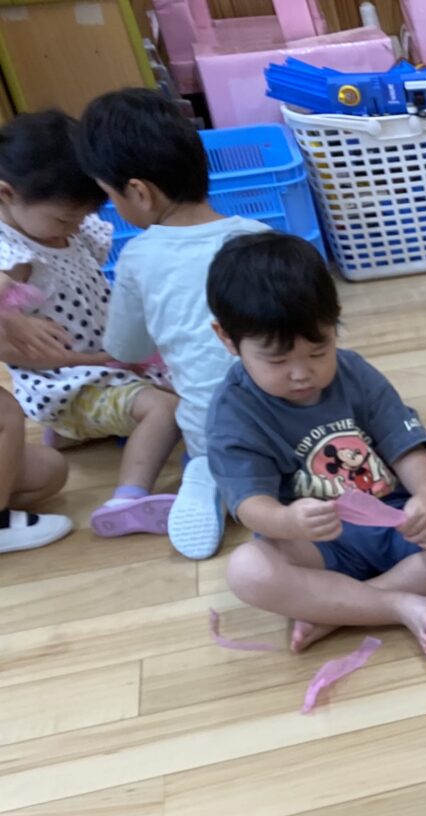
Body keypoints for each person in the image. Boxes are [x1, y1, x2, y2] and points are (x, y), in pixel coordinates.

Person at [204, 232, 426, 658]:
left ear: (335, 323)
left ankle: (344, 607)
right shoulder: (233, 412)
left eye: (318, 351)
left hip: (395, 521)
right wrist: (287, 520)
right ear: (227, 339)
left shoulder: (355, 372)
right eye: (277, 360)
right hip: (316, 543)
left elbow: (405, 445)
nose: (301, 373)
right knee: (248, 571)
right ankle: (395, 604)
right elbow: (249, 503)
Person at [80, 88, 270, 562]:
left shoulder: (139, 257)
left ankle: (207, 473)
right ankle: (278, 479)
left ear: (139, 192)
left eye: (109, 197)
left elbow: (125, 349)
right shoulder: (262, 238)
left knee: (196, 423)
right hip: (290, 415)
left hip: (212, 428)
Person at [0, 111, 181, 554]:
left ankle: (72, 433)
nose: (76, 227)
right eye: (65, 219)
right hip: (69, 381)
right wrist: (15, 318)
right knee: (167, 408)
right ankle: (129, 497)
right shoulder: (14, 256)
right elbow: (17, 344)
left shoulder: (67, 230)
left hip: (101, 365)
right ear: (6, 195)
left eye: (83, 216)